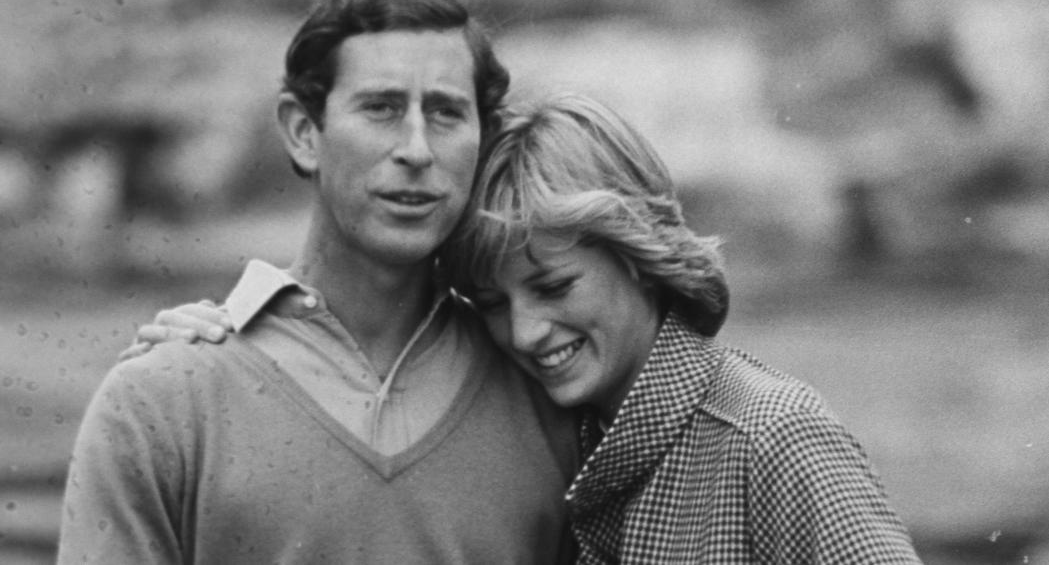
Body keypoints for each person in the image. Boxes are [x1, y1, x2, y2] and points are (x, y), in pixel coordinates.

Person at [147, 93, 922, 563]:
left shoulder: (772, 438)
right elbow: (358, 372)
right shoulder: (524, 416)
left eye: (554, 285)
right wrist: (221, 349)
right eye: (490, 300)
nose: (524, 331)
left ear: (640, 257)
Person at [56, 0, 578, 565]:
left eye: (445, 113)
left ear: (483, 139)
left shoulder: (553, 391)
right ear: (304, 132)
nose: (416, 148)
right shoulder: (160, 402)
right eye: (381, 108)